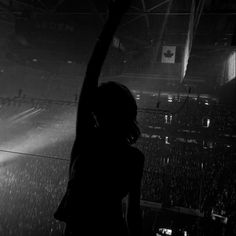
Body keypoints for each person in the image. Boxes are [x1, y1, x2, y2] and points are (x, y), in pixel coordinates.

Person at [54, 1, 144, 235]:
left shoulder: (87, 139)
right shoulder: (134, 158)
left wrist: (113, 19)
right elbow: (134, 213)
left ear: (99, 111)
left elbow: (91, 70)